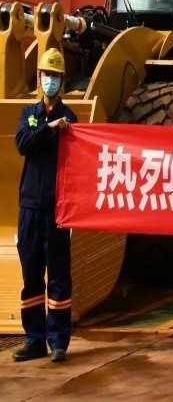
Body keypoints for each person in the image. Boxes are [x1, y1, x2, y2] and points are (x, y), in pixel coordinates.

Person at [13, 49, 77, 363]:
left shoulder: (71, 119)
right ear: (39, 78)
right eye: (46, 75)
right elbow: (22, 144)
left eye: (55, 76)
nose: (50, 80)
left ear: (62, 80)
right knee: (31, 275)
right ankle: (34, 339)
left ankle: (58, 340)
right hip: (30, 206)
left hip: (57, 208)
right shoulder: (30, 114)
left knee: (59, 275)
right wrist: (49, 129)